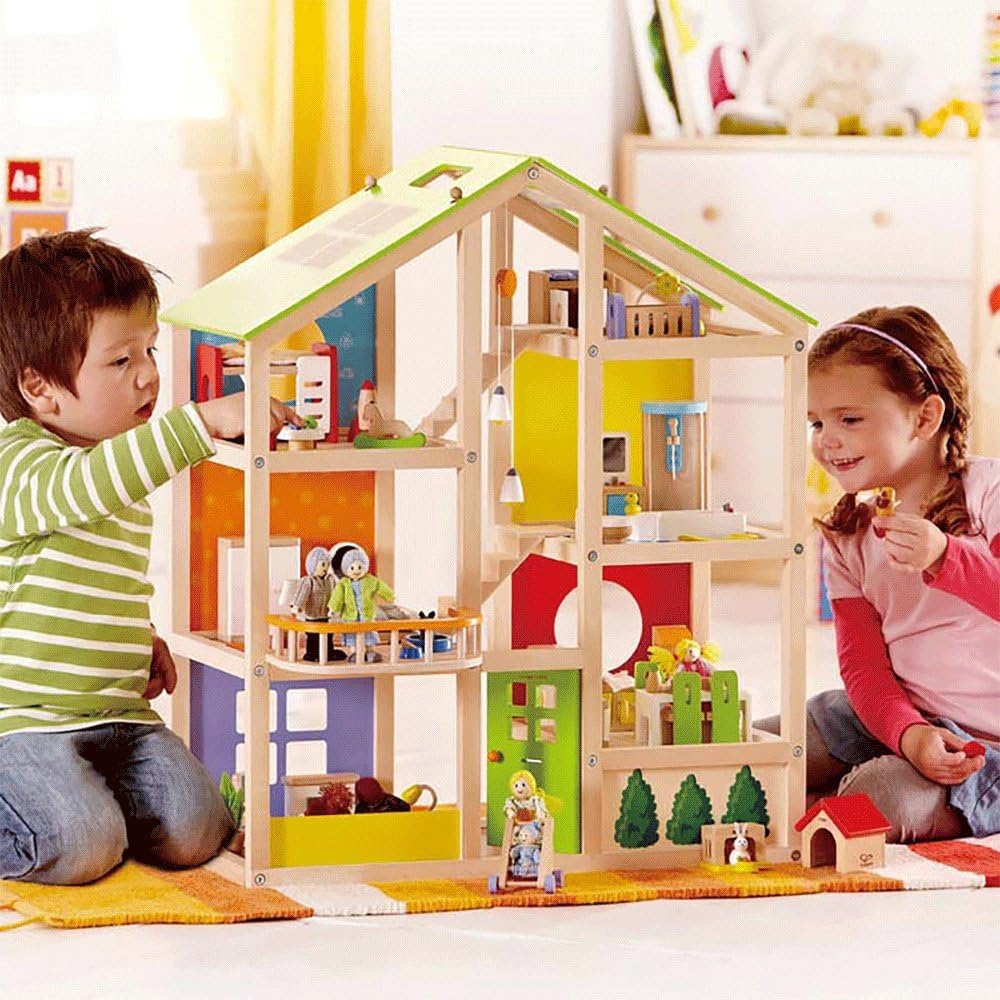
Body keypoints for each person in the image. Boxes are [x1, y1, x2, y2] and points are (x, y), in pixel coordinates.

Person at [0, 229, 301, 884]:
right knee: (83, 846)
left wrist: (141, 640)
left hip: (119, 718)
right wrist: (200, 424)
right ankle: (67, 817)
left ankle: (90, 810)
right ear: (39, 387)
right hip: (24, 726)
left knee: (198, 829)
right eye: (120, 360)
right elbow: (81, 489)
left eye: (150, 350)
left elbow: (85, 583)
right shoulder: (21, 464)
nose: (148, 374)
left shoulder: (118, 474)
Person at [759, 305, 999, 843]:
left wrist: (946, 556)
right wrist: (908, 733)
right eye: (817, 423)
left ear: (925, 417)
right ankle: (814, 798)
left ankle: (821, 804)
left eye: (849, 419)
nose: (826, 439)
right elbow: (863, 667)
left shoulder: (989, 492)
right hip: (892, 716)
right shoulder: (848, 533)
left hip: (983, 747)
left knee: (878, 799)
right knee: (752, 751)